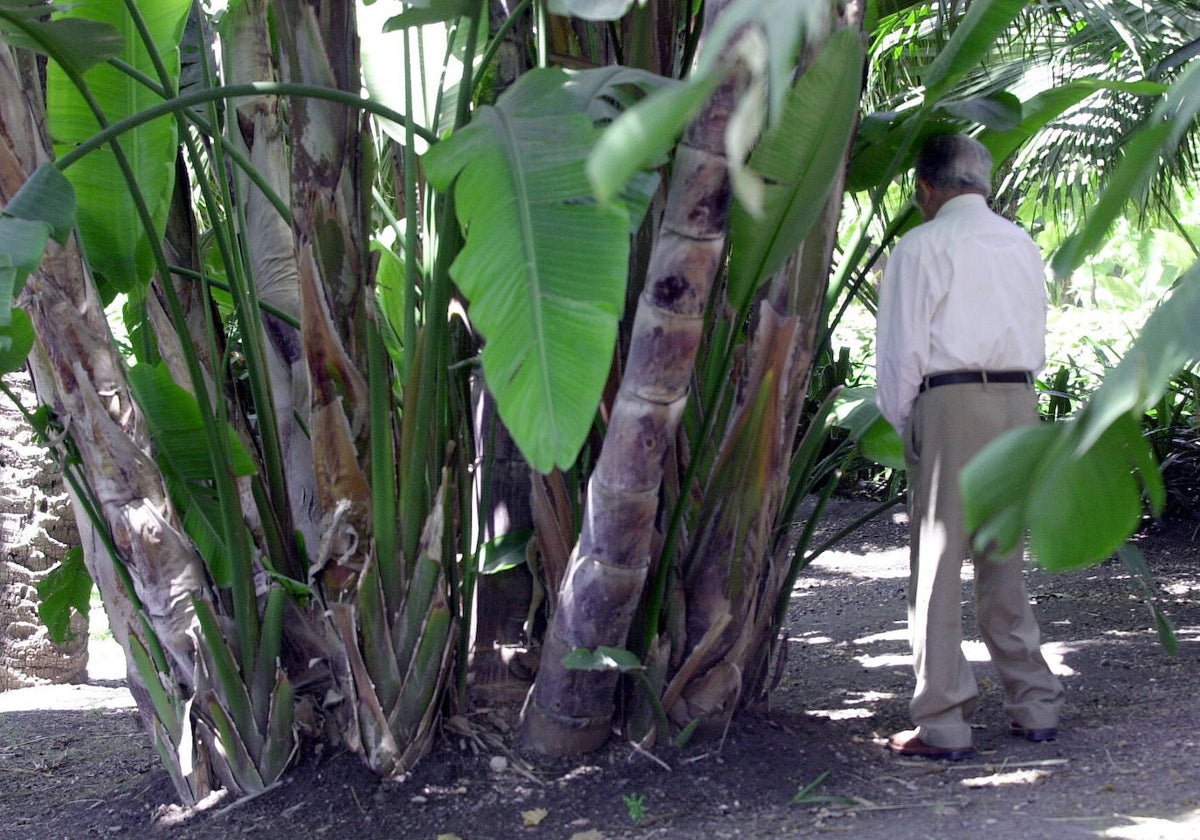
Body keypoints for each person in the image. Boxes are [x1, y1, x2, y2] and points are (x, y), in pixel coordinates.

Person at [875, 133, 1065, 761]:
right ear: (983, 183)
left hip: (949, 401)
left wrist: (911, 424)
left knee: (937, 566)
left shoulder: (921, 245)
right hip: (1019, 402)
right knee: (1003, 558)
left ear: (925, 189)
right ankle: (1035, 704)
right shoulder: (1021, 244)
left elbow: (901, 354)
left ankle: (945, 723)